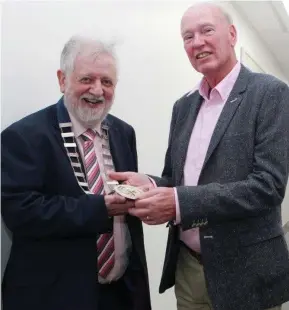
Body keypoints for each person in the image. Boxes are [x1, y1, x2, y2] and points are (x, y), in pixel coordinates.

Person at [109, 2, 289, 310]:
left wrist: (179, 203)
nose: (197, 42)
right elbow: (175, 179)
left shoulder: (270, 93)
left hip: (246, 269)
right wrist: (150, 184)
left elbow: (268, 186)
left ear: (231, 35)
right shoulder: (184, 106)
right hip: (189, 268)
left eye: (206, 30)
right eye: (187, 36)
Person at [1, 35, 151, 310]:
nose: (97, 90)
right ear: (62, 79)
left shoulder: (123, 132)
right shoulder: (23, 136)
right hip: (54, 297)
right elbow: (19, 212)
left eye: (107, 82)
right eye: (86, 79)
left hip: (122, 294)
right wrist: (101, 208)